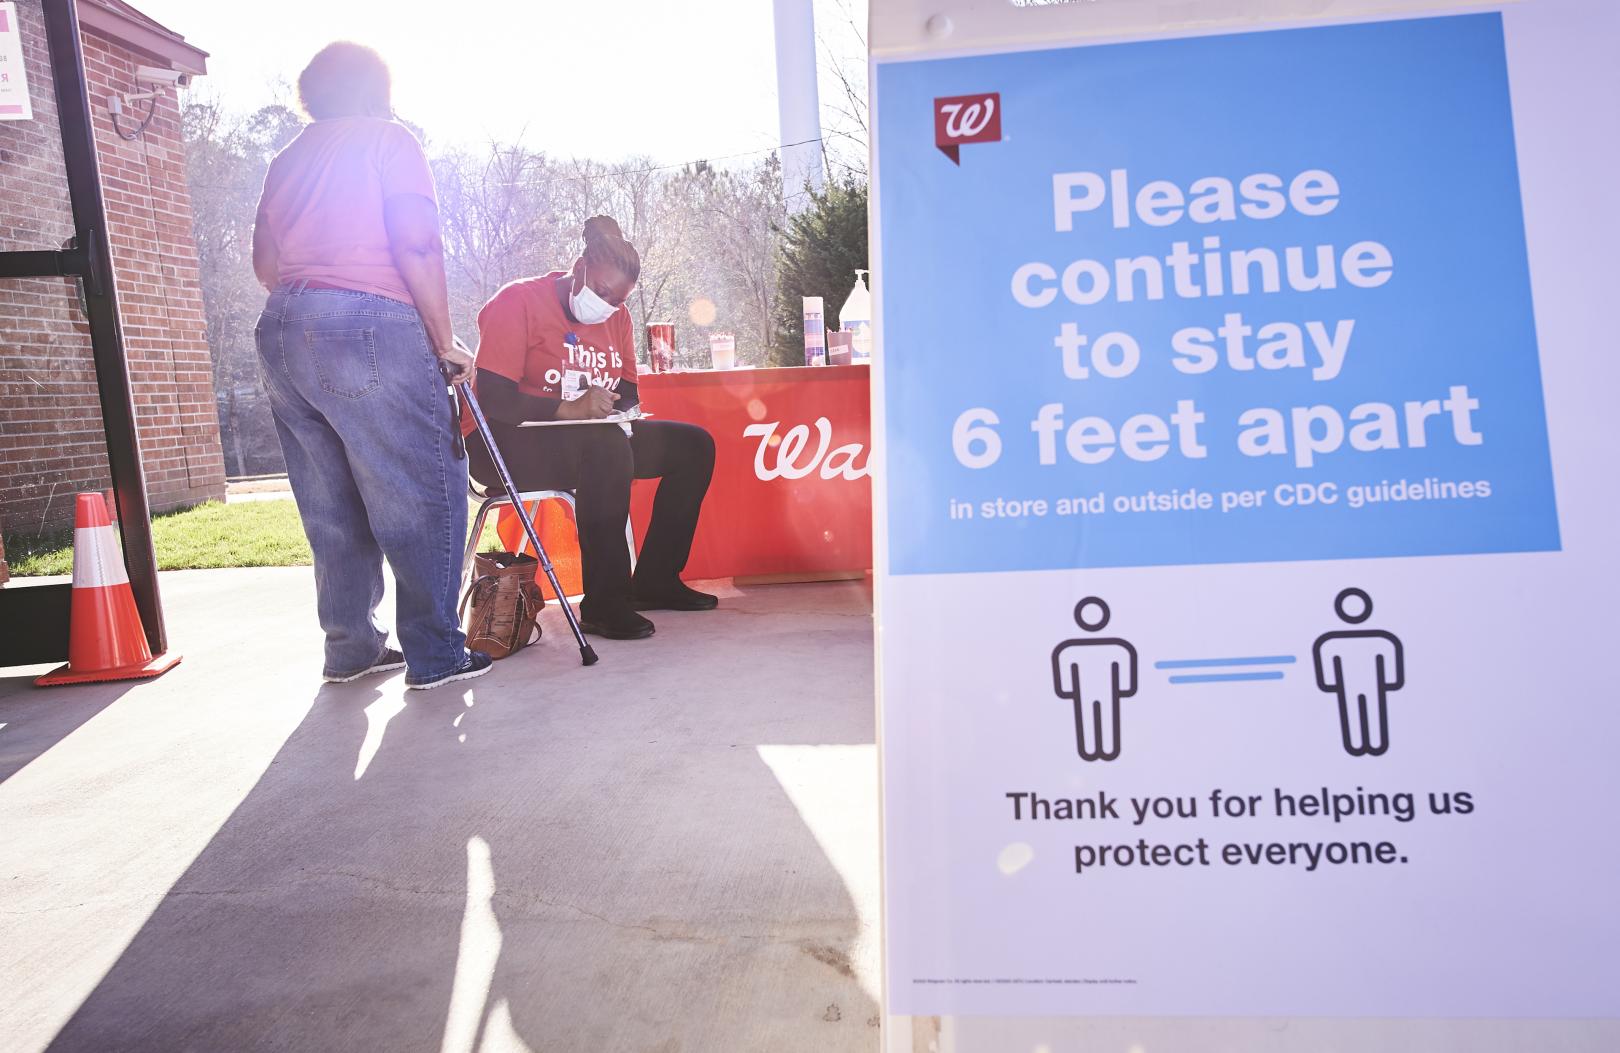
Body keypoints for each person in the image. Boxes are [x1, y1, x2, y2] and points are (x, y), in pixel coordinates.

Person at [252, 42, 490, 690]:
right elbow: (416, 241)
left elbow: (266, 266)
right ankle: (436, 652)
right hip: (369, 322)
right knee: (424, 486)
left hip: (283, 331)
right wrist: (443, 340)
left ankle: (351, 646)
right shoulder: (390, 143)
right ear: (374, 86)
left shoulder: (287, 158)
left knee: (330, 499)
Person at [465, 217, 717, 640]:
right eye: (602, 292)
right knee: (604, 447)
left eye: (619, 300)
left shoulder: (616, 318)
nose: (609, 305)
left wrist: (615, 408)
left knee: (692, 446)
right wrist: (568, 408)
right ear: (579, 268)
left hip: (584, 437)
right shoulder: (519, 301)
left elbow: (630, 389)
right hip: (499, 443)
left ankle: (654, 579)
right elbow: (494, 397)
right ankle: (604, 603)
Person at [1312, 587, 1404, 756]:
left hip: (1370, 687)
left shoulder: (1381, 639)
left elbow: (1394, 677)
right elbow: (1325, 680)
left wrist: (1334, 686)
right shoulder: (1331, 642)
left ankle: (1372, 746)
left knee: (1374, 717)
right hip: (1350, 687)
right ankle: (1360, 746)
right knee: (1353, 719)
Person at [1051, 596, 1138, 761]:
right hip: (1093, 692)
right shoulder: (1117, 647)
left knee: (1106, 722)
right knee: (1089, 724)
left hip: (1098, 692)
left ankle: (1100, 752)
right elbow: (1128, 687)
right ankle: (1094, 752)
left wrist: (1070, 692)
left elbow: (1063, 689)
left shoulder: (1070, 649)